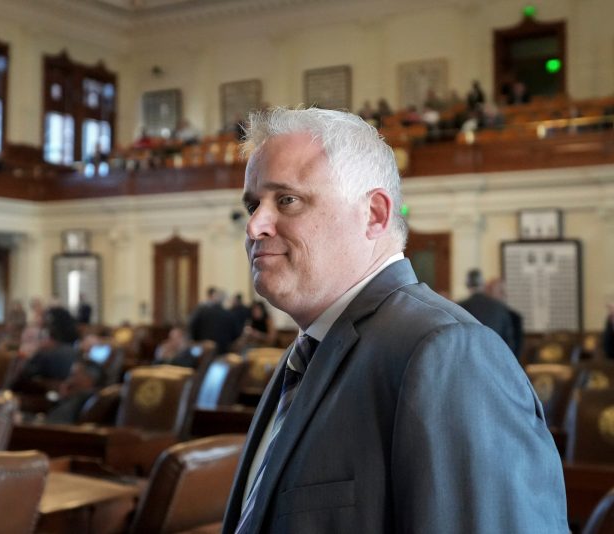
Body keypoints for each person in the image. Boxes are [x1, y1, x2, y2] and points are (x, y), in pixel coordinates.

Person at [222, 107, 566, 533]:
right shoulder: (305, 352)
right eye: (253, 204)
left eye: (287, 200)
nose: (255, 225)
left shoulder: (447, 353)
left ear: (375, 214)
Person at [458, 269, 518, 356]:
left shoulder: (460, 307)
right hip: (496, 358)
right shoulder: (499, 307)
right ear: (483, 284)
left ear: (467, 284)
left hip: (469, 359)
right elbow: (509, 341)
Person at [188, 288, 241, 355]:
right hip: (223, 352)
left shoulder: (202, 312)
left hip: (203, 351)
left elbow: (192, 326)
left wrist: (197, 341)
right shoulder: (230, 315)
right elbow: (236, 335)